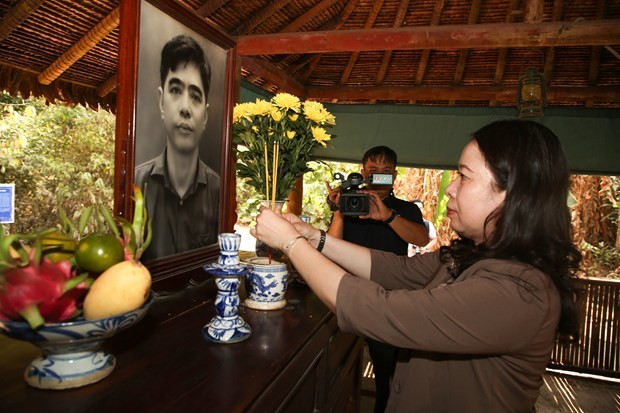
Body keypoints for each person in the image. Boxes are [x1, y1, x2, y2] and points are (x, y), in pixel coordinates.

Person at [251, 119, 581, 412]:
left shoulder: (519, 291)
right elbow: (392, 270)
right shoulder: (474, 255)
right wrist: (312, 237)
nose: (450, 189)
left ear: (512, 194)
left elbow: (378, 311)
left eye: (464, 177)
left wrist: (290, 244)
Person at [326, 146, 429, 413]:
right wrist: (339, 210)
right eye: (373, 172)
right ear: (363, 173)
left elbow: (421, 238)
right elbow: (331, 246)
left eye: (386, 173)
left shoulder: (405, 209)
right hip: (346, 294)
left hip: (387, 300)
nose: (379, 178)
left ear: (394, 175)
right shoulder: (349, 205)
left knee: (387, 373)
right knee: (338, 366)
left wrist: (388, 216)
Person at [135, 34, 220, 261]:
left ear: (206, 115)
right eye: (175, 90)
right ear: (161, 101)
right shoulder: (135, 185)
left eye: (195, 96)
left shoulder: (218, 191)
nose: (185, 108)